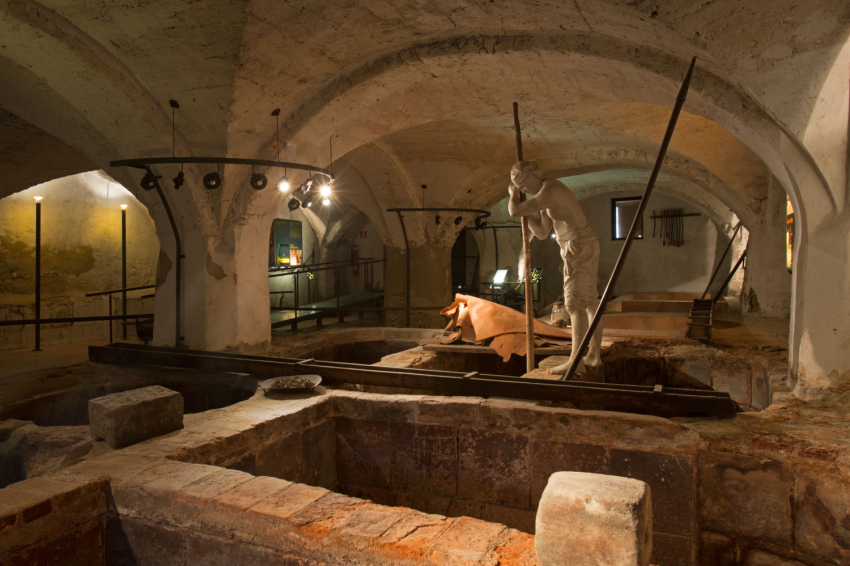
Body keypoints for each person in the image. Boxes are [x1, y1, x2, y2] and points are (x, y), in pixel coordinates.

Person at [507, 160, 603, 374]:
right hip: (579, 244)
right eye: (520, 187)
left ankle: (576, 362)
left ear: (532, 174)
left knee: (574, 303)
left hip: (578, 245)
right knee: (589, 301)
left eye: (523, 184)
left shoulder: (551, 189)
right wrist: (527, 212)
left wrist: (513, 194)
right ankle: (593, 355)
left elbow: (514, 211)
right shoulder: (545, 193)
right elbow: (542, 232)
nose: (524, 190)